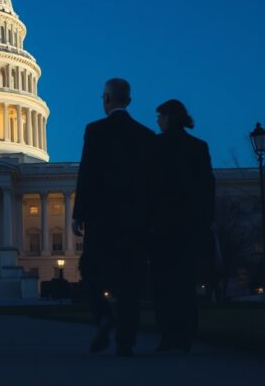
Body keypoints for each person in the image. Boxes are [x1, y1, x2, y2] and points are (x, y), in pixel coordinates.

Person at [73, 78, 156, 357]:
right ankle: (126, 341)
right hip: (135, 221)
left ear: (106, 99)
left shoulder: (95, 131)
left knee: (90, 273)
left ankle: (104, 315)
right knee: (131, 282)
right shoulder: (146, 135)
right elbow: (152, 183)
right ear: (129, 101)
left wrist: (78, 214)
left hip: (101, 219)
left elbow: (87, 175)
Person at [150, 99, 215, 353]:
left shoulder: (155, 145)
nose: (157, 121)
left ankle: (167, 336)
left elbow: (148, 188)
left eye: (159, 116)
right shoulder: (198, 147)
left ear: (168, 117)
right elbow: (207, 187)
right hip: (189, 226)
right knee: (186, 285)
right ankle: (186, 337)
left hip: (161, 226)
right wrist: (205, 221)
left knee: (162, 285)